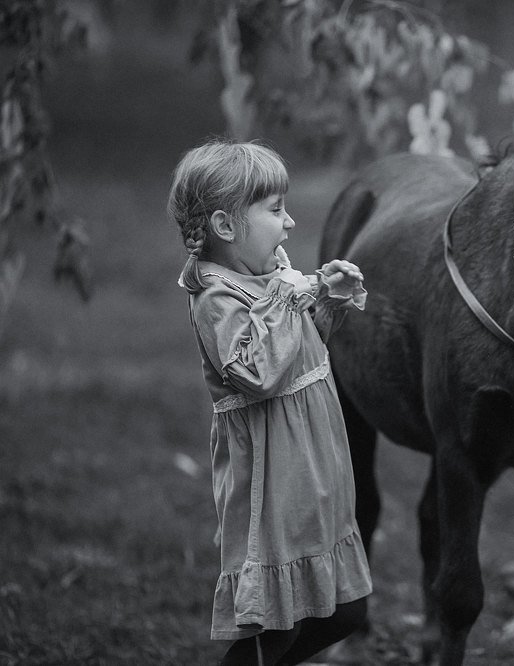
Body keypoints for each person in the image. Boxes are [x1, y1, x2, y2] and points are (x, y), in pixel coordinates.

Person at [168, 140, 372, 665]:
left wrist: (324, 300)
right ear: (226, 225)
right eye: (276, 209)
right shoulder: (217, 299)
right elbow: (259, 374)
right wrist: (286, 295)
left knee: (345, 610)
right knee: (280, 624)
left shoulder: (266, 276)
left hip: (312, 466)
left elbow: (300, 351)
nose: (290, 222)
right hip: (273, 477)